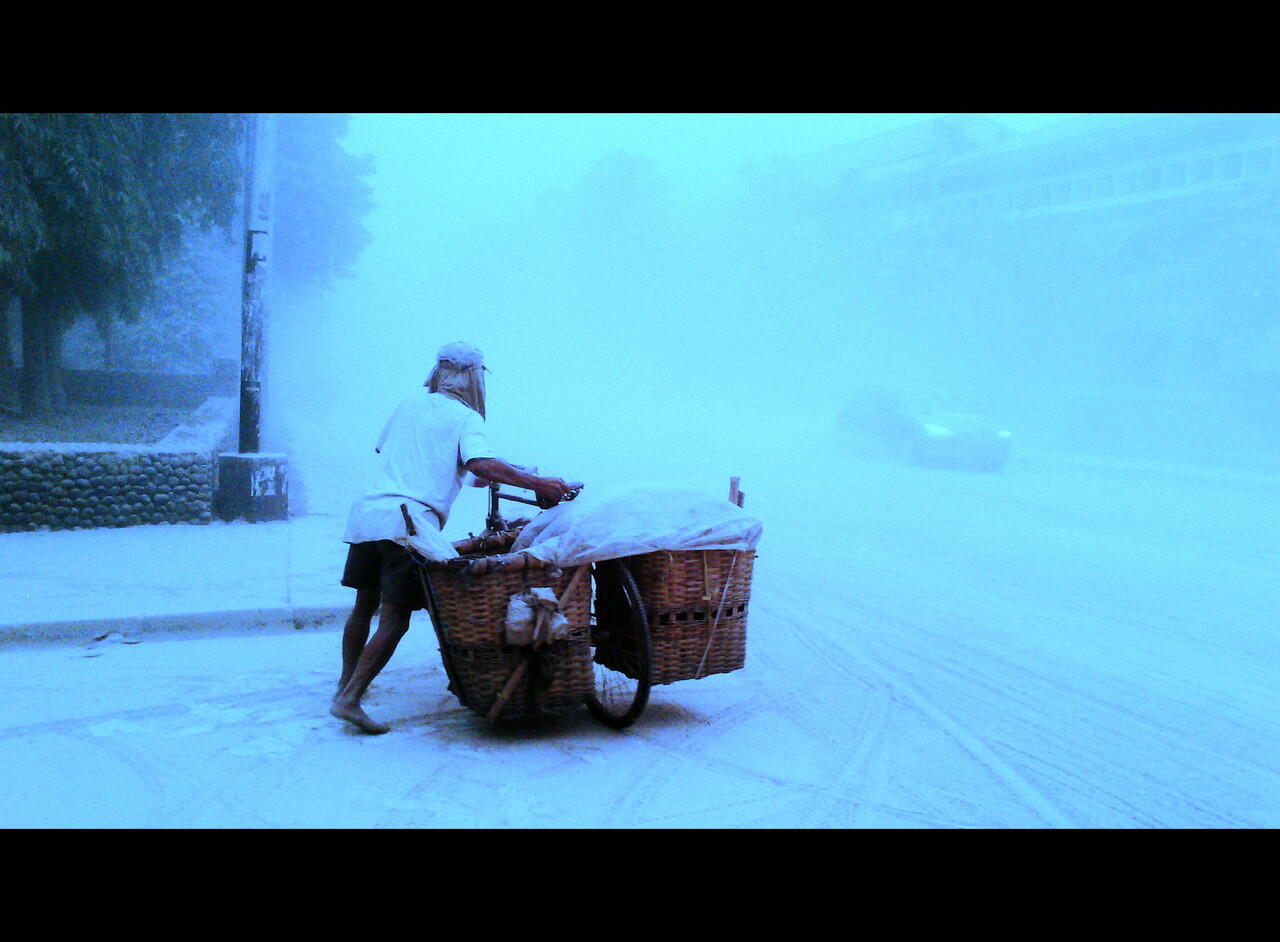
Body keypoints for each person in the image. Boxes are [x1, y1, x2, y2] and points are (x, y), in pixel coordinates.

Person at [331, 342, 578, 734]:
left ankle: (346, 682)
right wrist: (536, 482)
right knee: (395, 621)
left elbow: (418, 455)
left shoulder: (408, 405)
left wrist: (485, 471)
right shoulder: (466, 418)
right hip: (407, 524)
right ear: (475, 379)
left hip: (369, 514)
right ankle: (349, 700)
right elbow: (478, 462)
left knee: (364, 606)